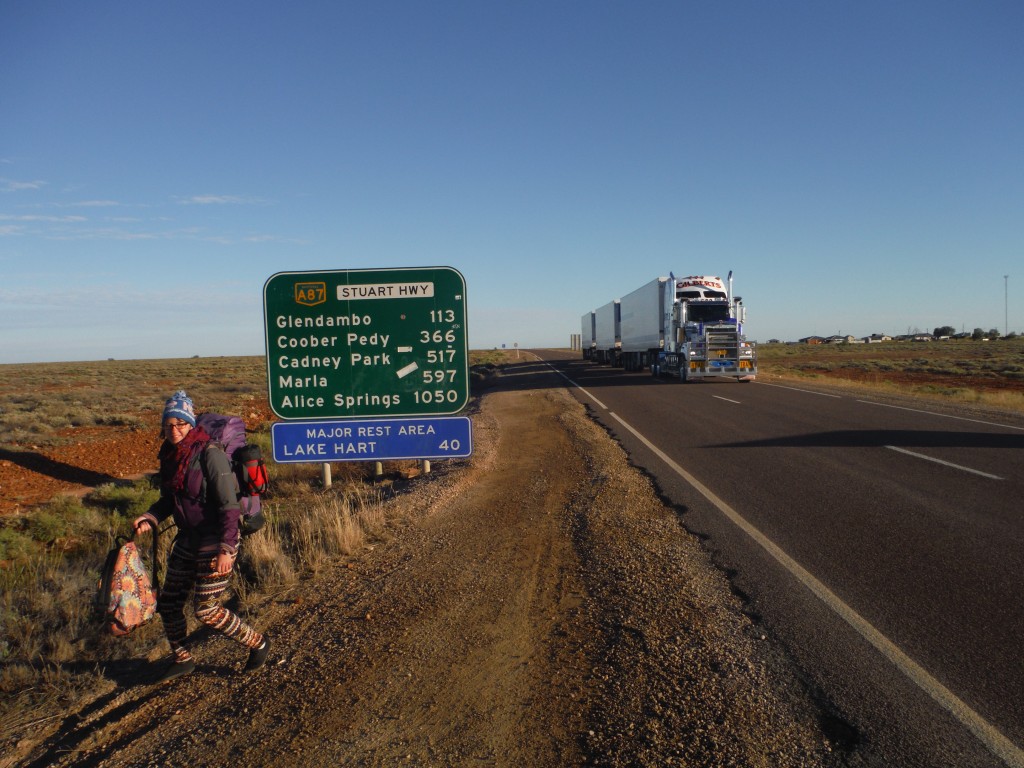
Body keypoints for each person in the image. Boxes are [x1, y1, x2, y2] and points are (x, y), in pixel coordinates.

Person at [133, 390, 270, 682]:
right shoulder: (170, 456)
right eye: (168, 424)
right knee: (168, 603)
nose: (174, 430)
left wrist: (226, 547)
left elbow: (229, 506)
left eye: (180, 424)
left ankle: (258, 644)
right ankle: (182, 658)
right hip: (187, 538)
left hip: (216, 538)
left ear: (190, 424)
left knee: (206, 610)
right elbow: (169, 499)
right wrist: (150, 517)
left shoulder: (209, 454)